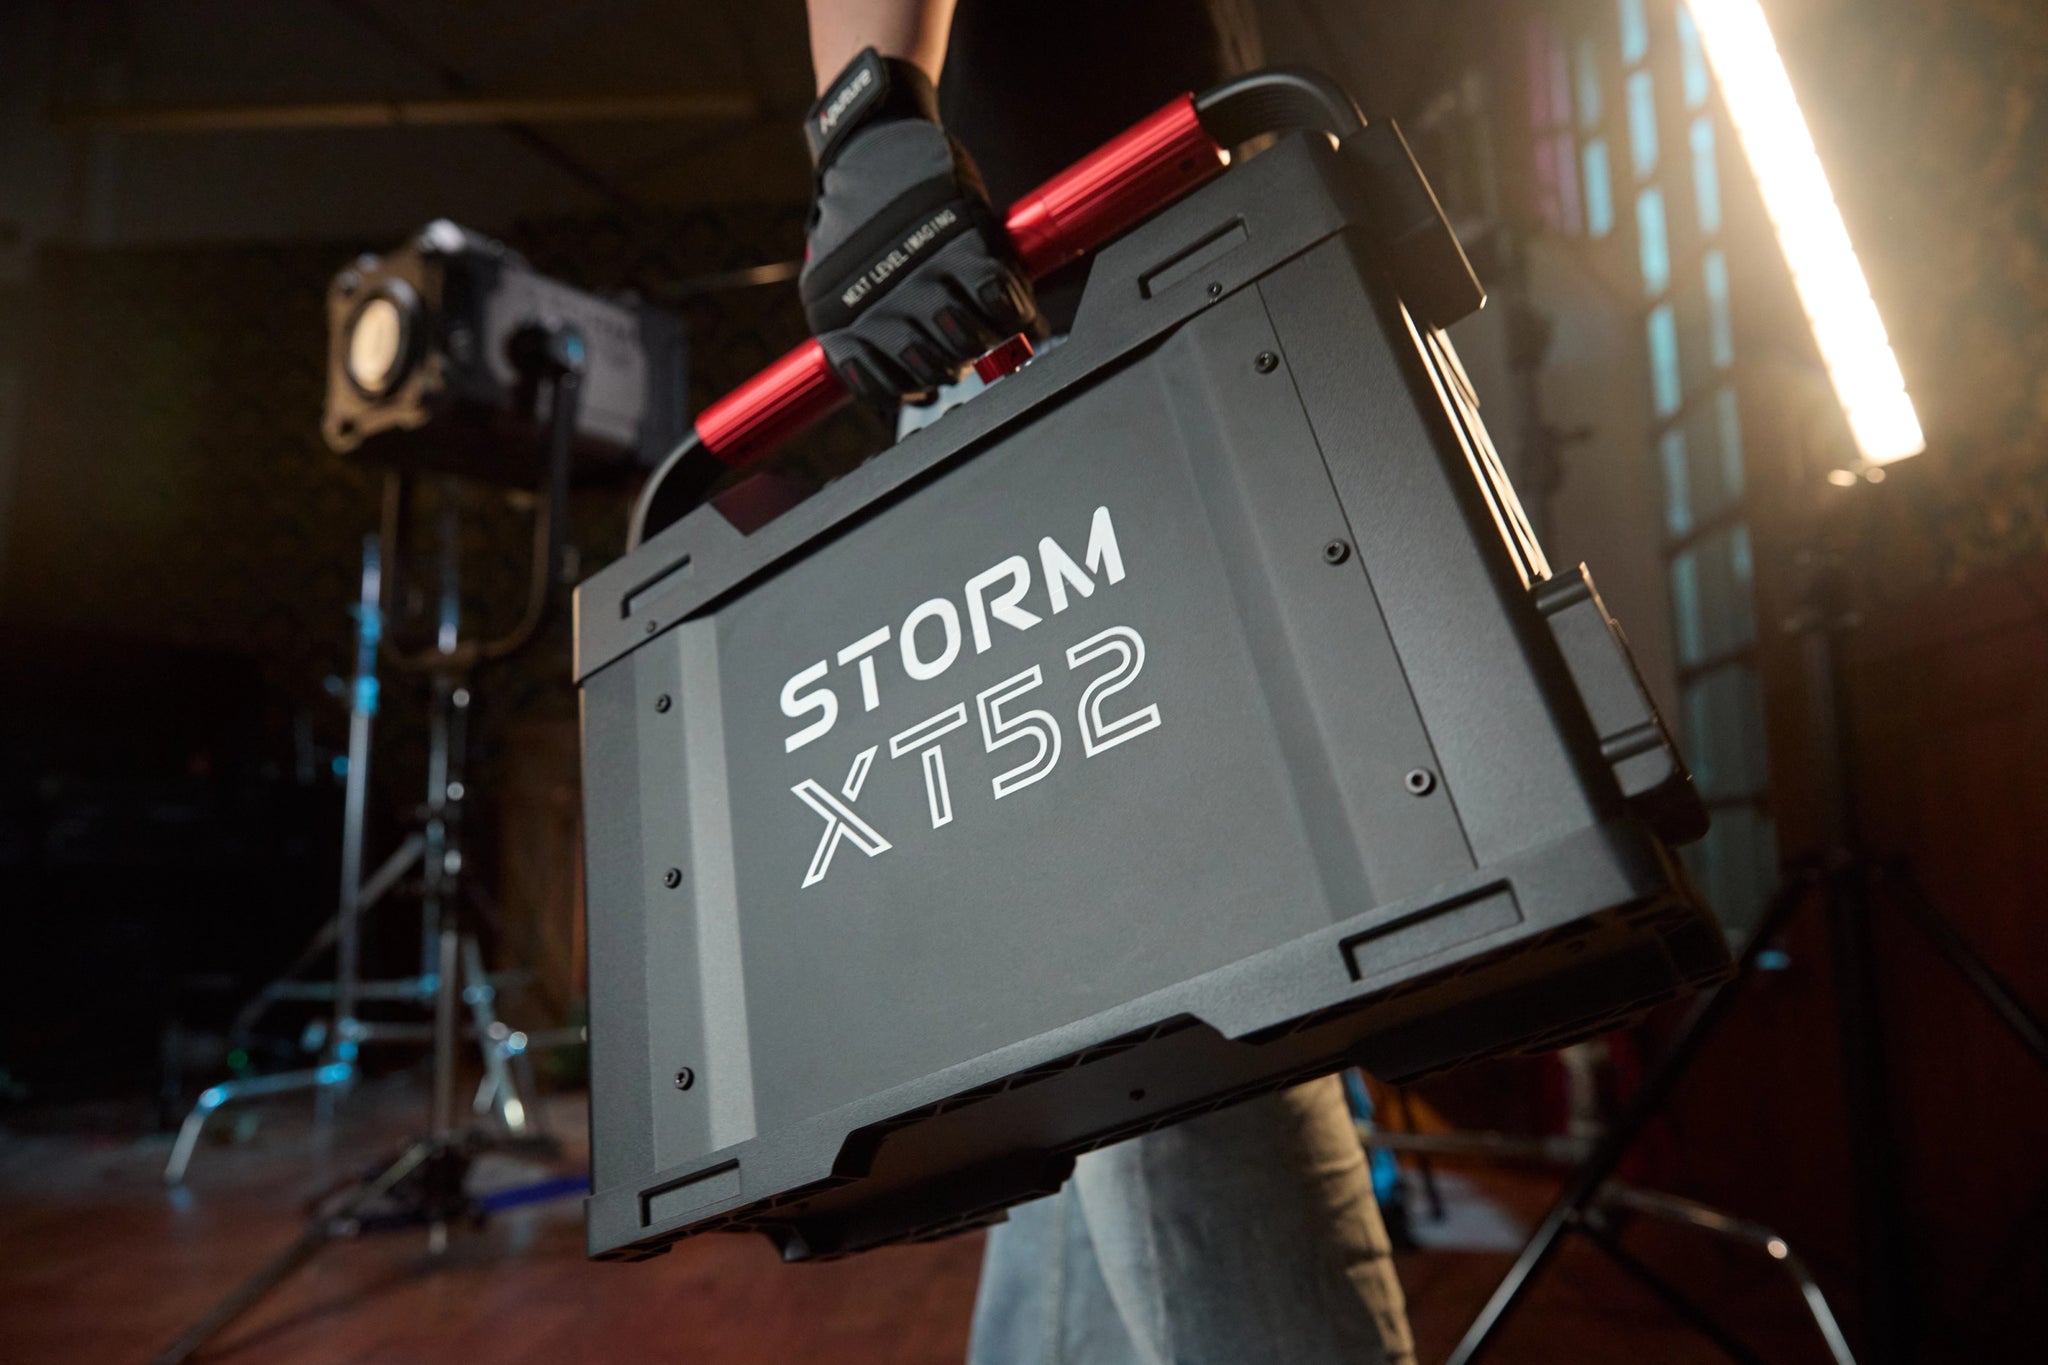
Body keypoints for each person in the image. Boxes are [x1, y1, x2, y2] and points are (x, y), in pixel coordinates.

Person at [797, 4, 1418, 1361]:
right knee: (1215, 998)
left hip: (1185, 315)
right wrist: (868, 125)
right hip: (1054, 346)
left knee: (1109, 1066)